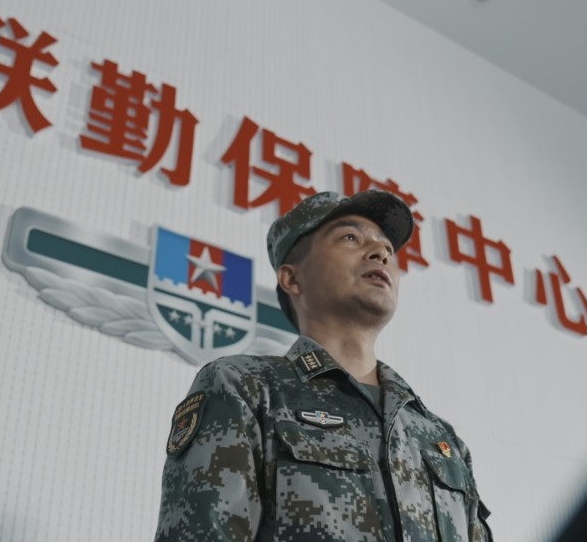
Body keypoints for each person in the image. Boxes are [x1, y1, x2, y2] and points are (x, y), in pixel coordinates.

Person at [153, 190, 492, 542]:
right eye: (351, 238)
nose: (380, 253)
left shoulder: (440, 438)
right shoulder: (245, 387)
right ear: (292, 279)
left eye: (388, 249)